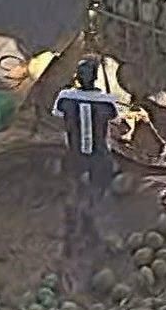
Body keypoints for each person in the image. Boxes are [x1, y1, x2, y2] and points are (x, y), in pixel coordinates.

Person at [52, 57, 123, 262]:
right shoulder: (107, 102)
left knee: (75, 189)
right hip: (99, 156)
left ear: (77, 78)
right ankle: (97, 231)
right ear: (95, 78)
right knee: (99, 191)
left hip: (74, 154)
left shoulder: (65, 98)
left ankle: (73, 233)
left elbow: (57, 113)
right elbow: (114, 117)